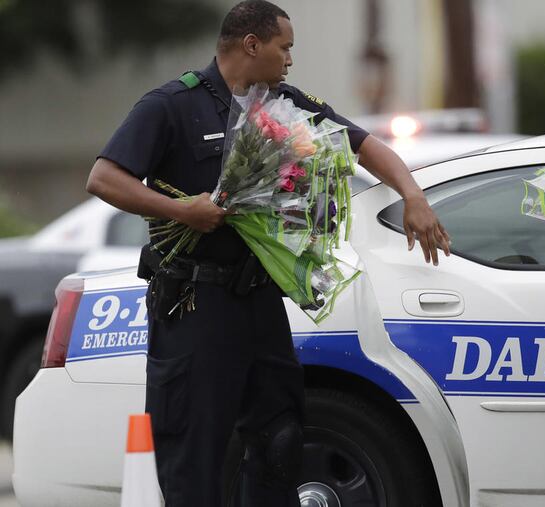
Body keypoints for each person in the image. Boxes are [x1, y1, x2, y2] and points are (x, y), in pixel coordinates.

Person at [86, 1, 450, 505]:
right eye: (285, 48)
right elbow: (103, 178)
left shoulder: (286, 103)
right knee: (197, 453)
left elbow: (364, 146)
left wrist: (413, 196)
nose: (291, 60)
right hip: (196, 304)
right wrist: (181, 210)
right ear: (251, 45)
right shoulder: (172, 104)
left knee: (280, 440)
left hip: (258, 301)